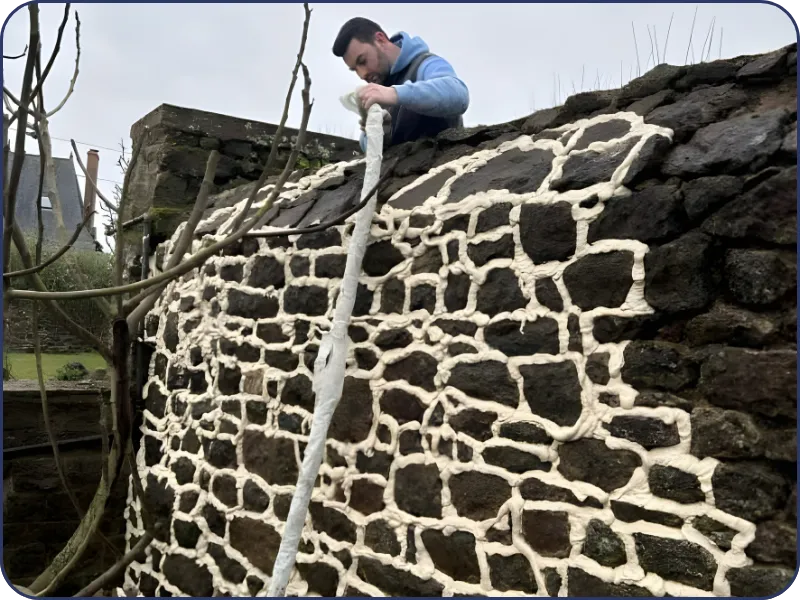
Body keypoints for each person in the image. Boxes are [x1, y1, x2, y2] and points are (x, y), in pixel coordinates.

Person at [332, 17, 469, 152]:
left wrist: (394, 94)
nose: (362, 74)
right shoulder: (379, 89)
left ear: (380, 40)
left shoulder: (426, 64)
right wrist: (376, 131)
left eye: (362, 61)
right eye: (355, 69)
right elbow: (366, 145)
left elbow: (458, 95)